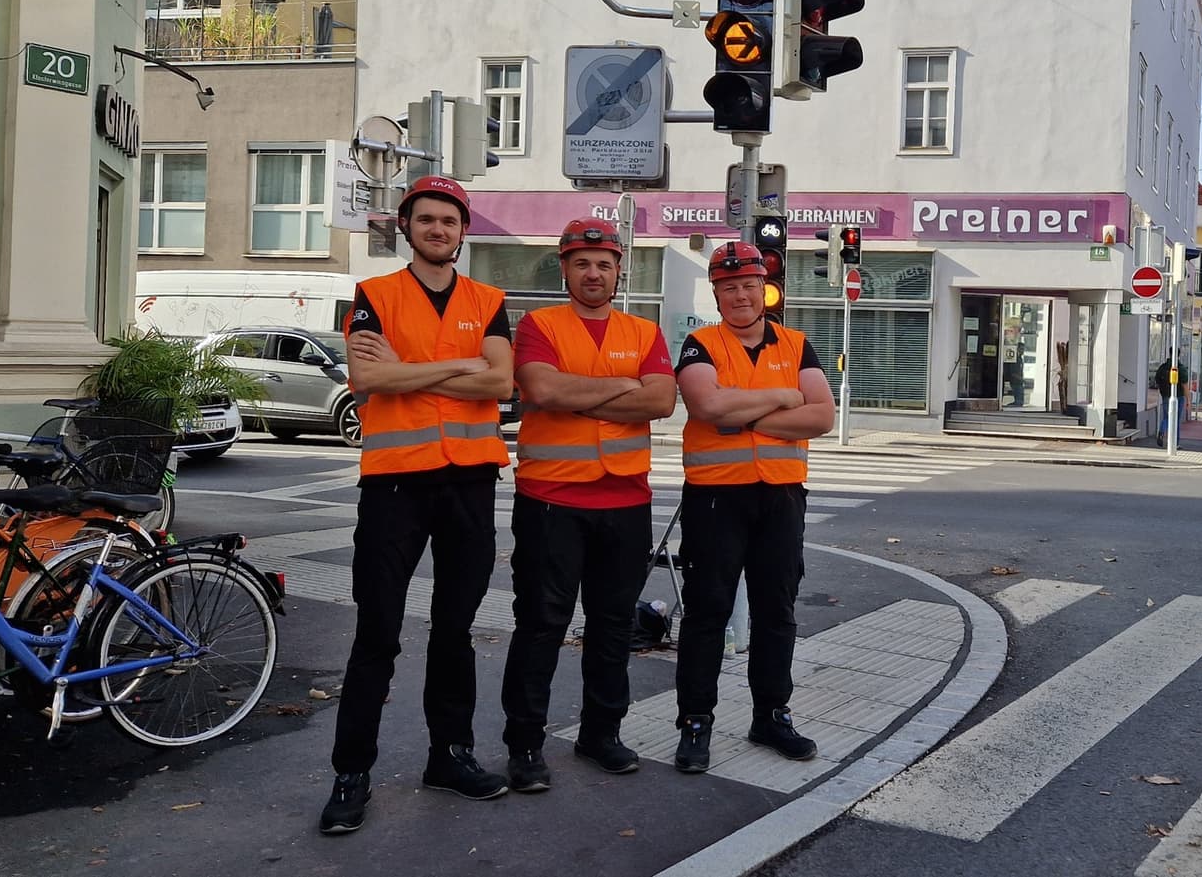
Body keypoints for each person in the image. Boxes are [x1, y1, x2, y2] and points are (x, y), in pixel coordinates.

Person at [321, 176, 514, 836]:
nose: (439, 229)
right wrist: (459, 368)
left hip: (468, 484)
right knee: (377, 632)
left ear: (464, 231)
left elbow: (503, 379)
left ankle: (450, 756)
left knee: (454, 630)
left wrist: (418, 368)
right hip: (395, 486)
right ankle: (352, 773)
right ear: (408, 228)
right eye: (427, 219)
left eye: (449, 221)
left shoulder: (489, 300)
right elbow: (370, 376)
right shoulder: (374, 295)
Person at [499, 218, 676, 792]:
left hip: (625, 498)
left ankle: (602, 732)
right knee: (541, 624)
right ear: (565, 268)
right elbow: (543, 391)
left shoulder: (644, 331)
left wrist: (588, 392)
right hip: (551, 497)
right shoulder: (538, 325)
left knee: (613, 624)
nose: (593, 272)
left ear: (620, 269)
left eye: (604, 263)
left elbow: (664, 400)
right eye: (581, 262)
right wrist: (625, 388)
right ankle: (525, 744)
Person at [671, 242, 836, 773]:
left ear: (764, 289)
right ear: (716, 293)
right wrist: (784, 398)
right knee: (706, 614)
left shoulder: (797, 344)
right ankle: (695, 724)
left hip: (781, 496)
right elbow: (707, 405)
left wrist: (746, 415)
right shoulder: (700, 344)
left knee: (776, 612)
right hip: (717, 496)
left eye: (748, 285)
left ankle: (771, 715)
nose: (740, 295)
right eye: (728, 286)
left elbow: (822, 417)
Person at [1155, 357, 1189, 442]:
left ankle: (1162, 430)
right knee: (1175, 420)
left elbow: (1157, 380)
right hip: (1179, 397)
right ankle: (1175, 442)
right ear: (1178, 355)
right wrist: (1188, 400)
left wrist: (1163, 392)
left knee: (1166, 417)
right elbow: (1185, 386)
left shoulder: (1163, 367)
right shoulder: (1180, 368)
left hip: (1166, 396)